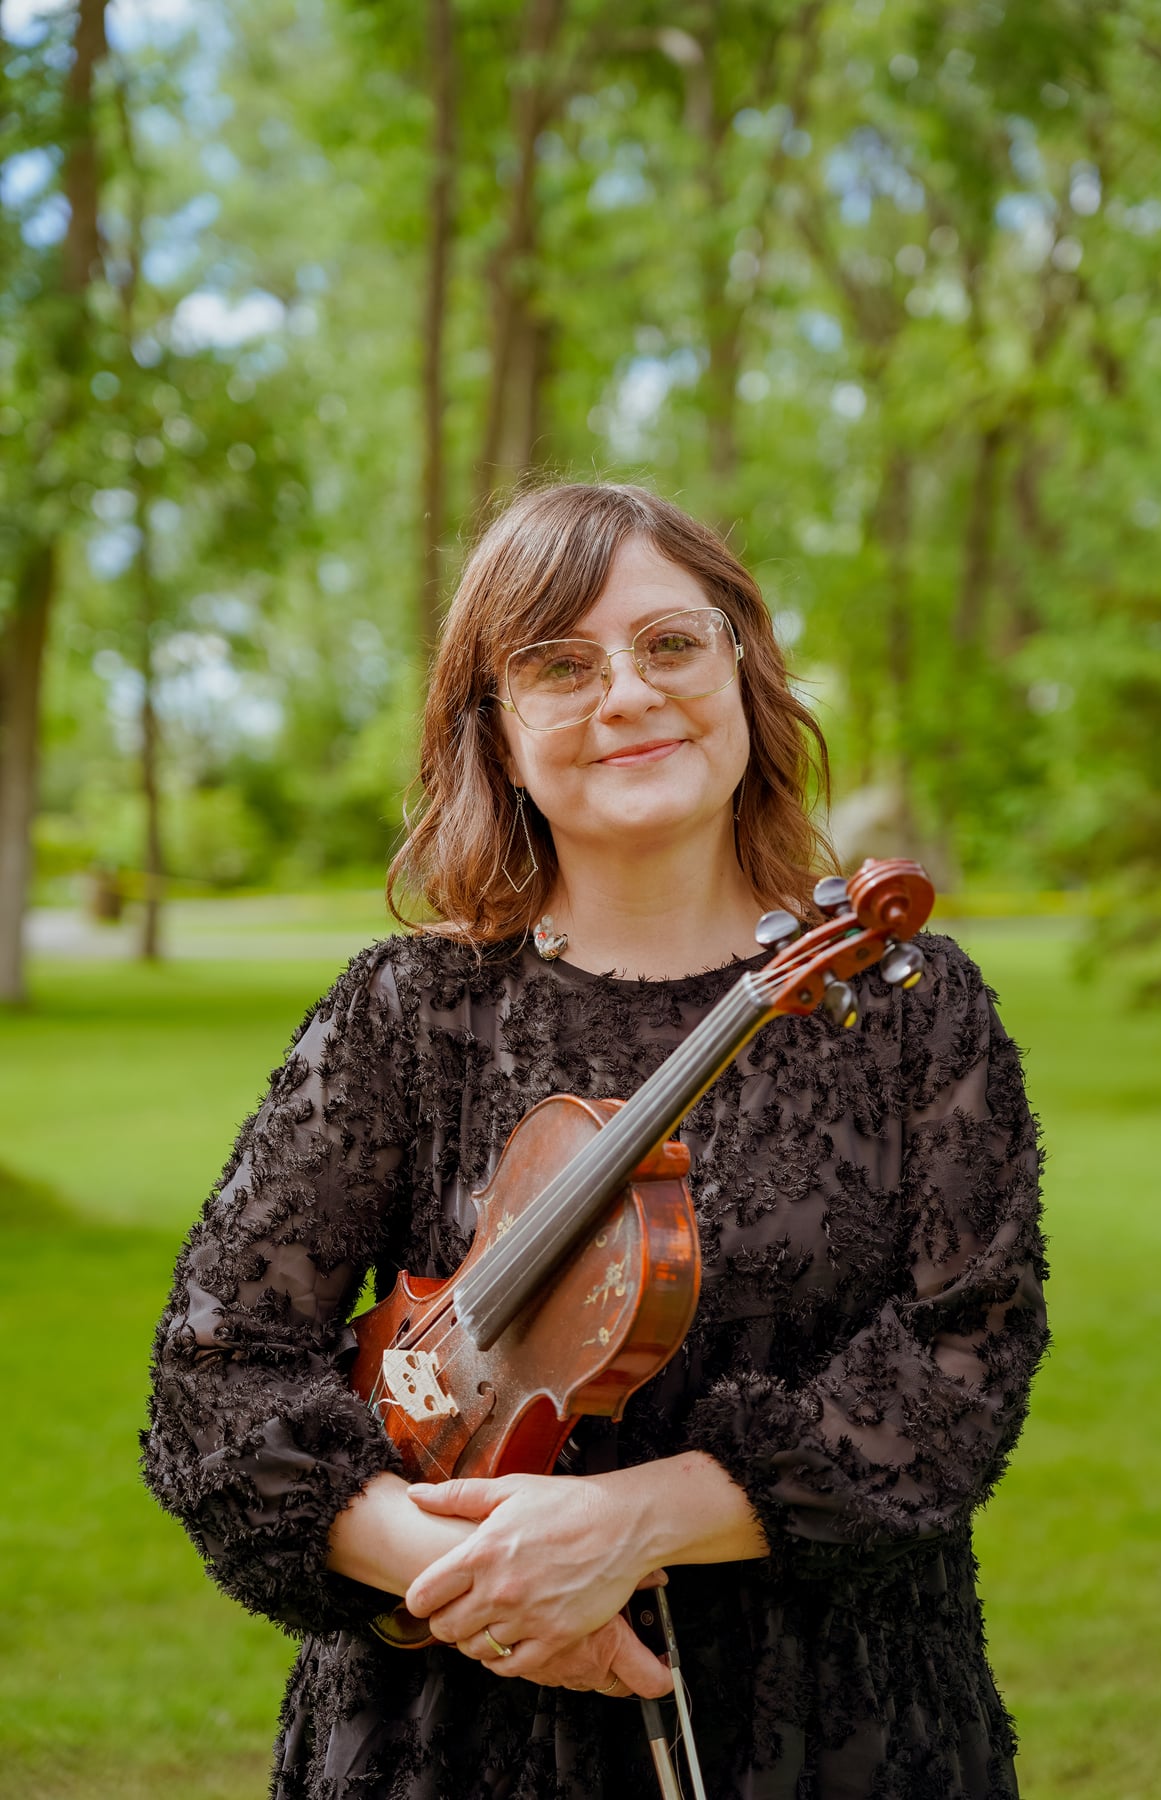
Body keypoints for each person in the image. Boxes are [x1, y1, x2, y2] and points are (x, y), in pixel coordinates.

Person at [142, 482, 1048, 1800]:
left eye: (669, 644)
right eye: (558, 664)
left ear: (746, 672)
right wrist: (464, 1566)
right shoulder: (407, 1013)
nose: (626, 694)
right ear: (499, 737)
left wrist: (633, 1522)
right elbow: (218, 1376)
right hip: (450, 1735)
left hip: (830, 1724)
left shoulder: (911, 1011)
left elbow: (963, 1365)